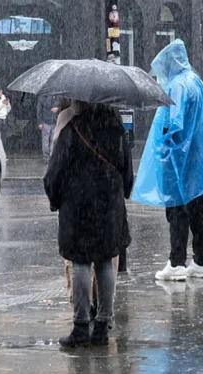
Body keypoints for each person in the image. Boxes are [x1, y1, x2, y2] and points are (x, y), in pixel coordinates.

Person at [44, 101, 133, 348]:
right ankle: (103, 326)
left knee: (81, 262)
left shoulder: (73, 129)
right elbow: (127, 169)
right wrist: (122, 189)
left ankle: (81, 326)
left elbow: (55, 172)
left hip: (78, 205)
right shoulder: (115, 129)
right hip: (109, 204)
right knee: (105, 261)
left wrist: (54, 197)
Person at [132, 39, 203, 282]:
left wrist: (164, 143)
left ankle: (177, 262)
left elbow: (174, 123)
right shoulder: (196, 83)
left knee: (177, 209)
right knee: (197, 209)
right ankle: (201, 261)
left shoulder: (178, 85)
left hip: (178, 158)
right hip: (196, 158)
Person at [37, 95, 59, 162]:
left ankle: (50, 156)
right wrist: (40, 122)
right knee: (46, 141)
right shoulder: (42, 97)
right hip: (46, 120)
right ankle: (46, 157)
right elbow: (39, 110)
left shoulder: (57, 96)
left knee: (53, 140)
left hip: (54, 121)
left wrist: (58, 108)